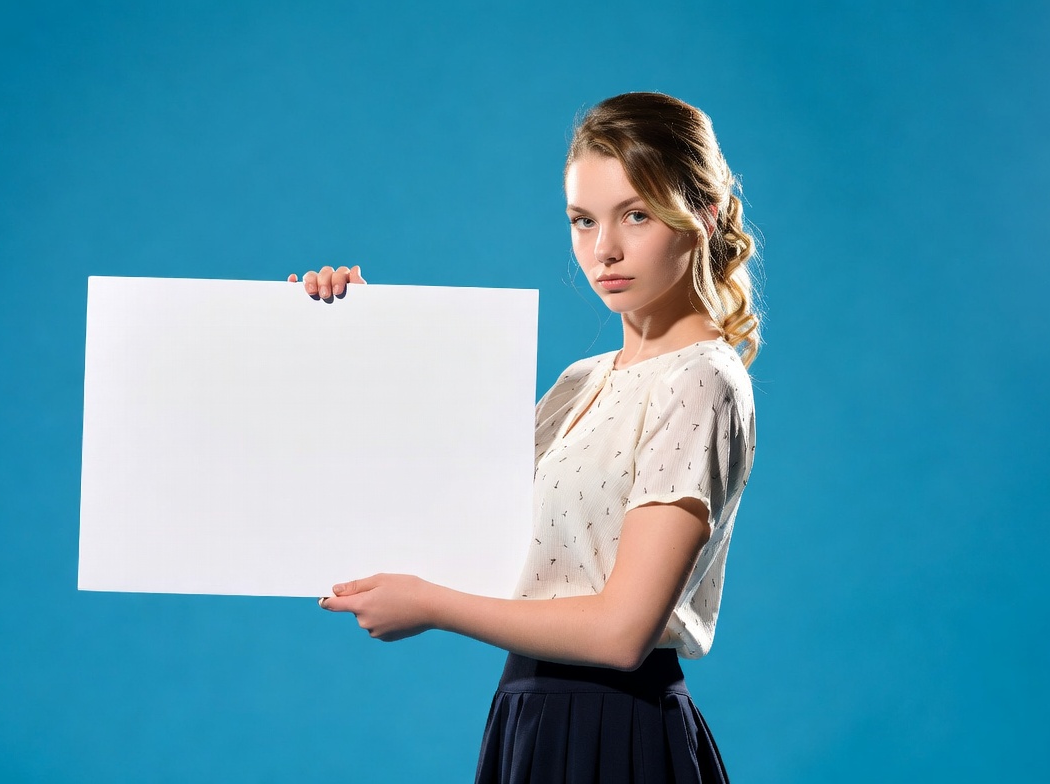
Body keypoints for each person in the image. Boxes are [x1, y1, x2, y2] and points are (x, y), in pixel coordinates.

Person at [289, 91, 760, 783]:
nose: (605, 250)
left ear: (703, 216)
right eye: (582, 220)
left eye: (635, 214)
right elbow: (446, 505)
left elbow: (622, 631)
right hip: (530, 716)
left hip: (613, 729)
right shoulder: (583, 380)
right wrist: (348, 336)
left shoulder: (700, 380)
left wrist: (430, 606)